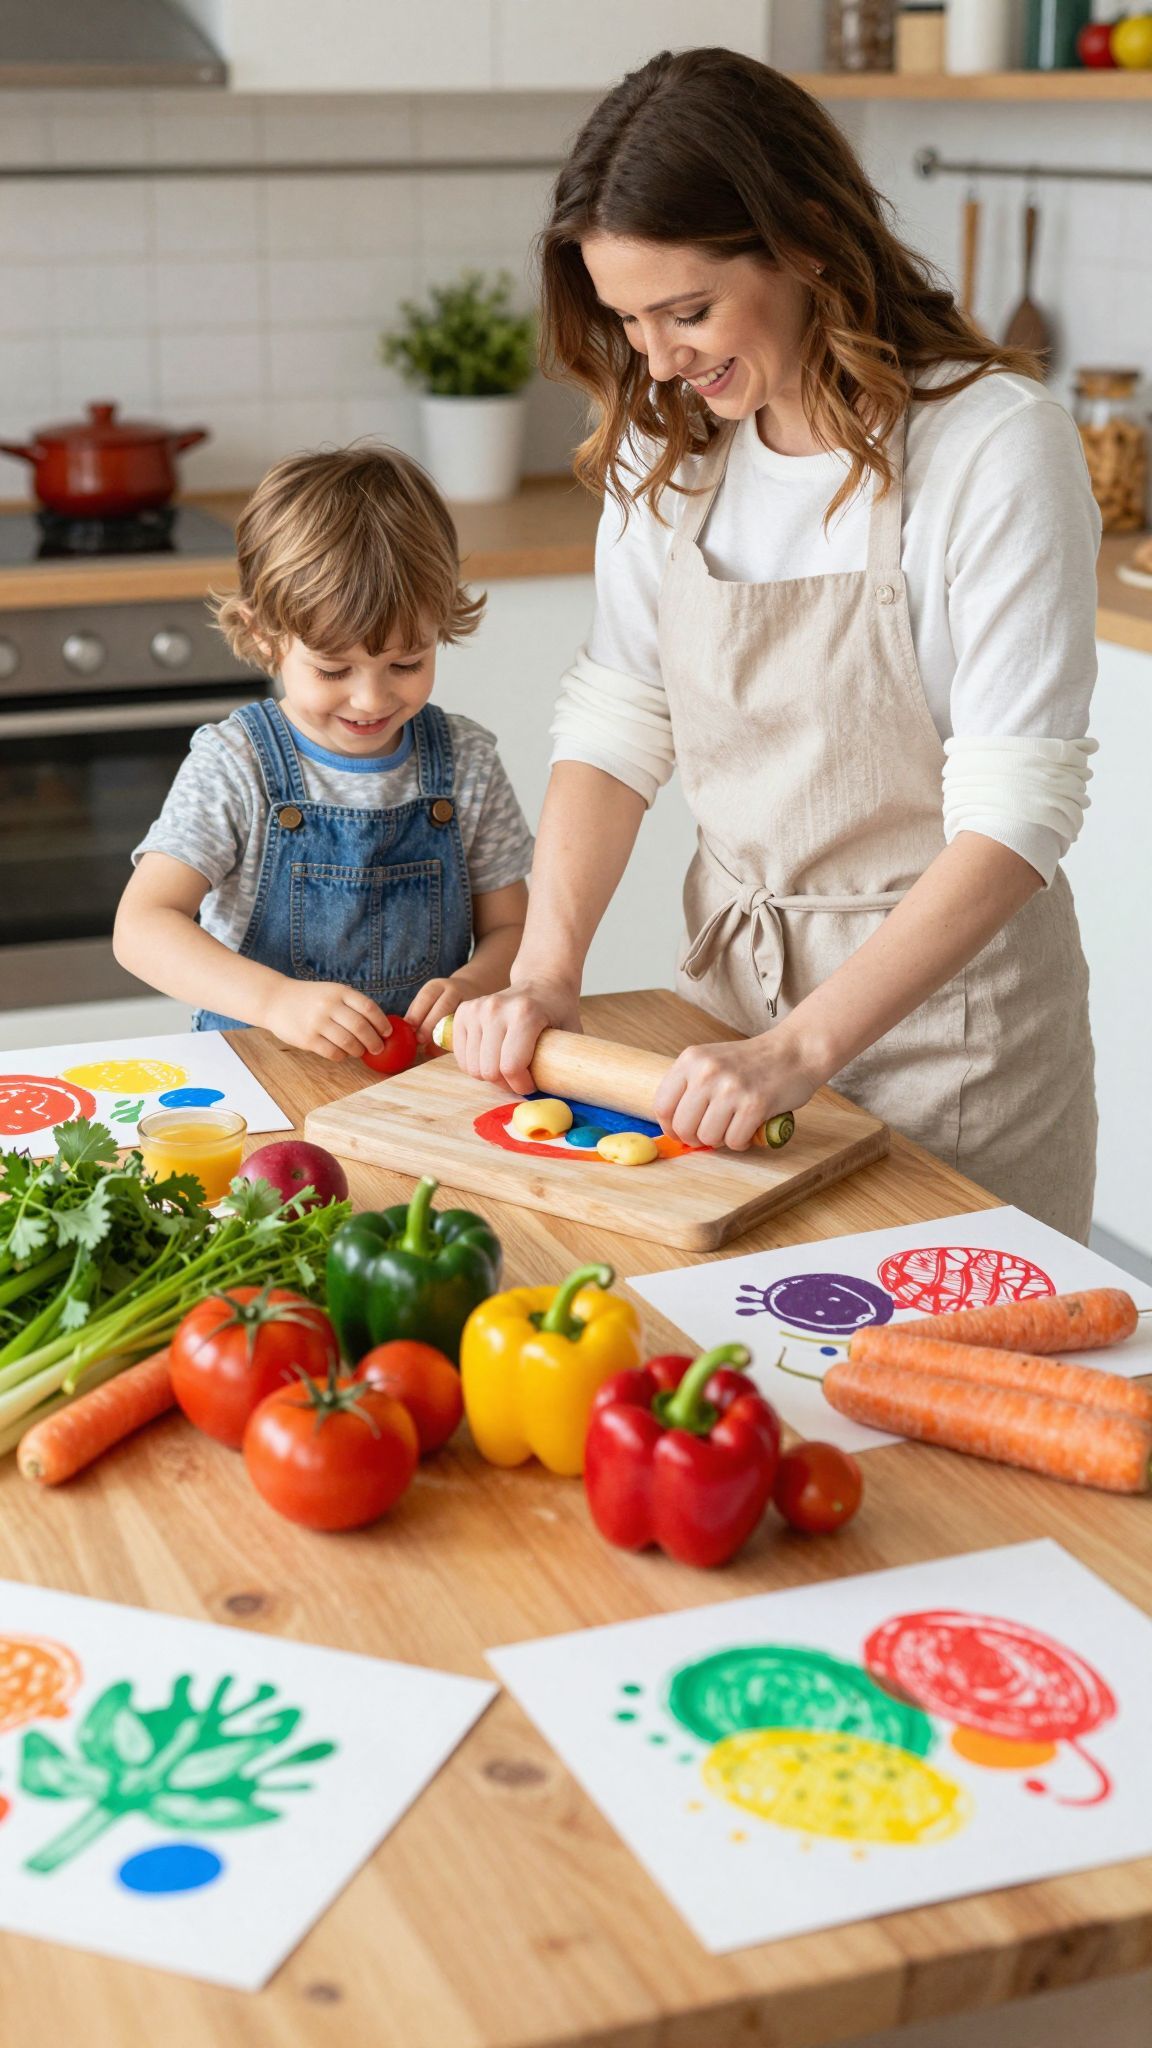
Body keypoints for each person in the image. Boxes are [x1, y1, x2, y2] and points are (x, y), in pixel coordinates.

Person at [449, 47, 1101, 1239]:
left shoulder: (993, 446)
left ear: (803, 236)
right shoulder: (670, 444)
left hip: (955, 1049)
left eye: (687, 311)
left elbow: (1015, 818)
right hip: (727, 1030)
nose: (658, 361)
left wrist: (801, 1047)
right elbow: (619, 722)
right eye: (629, 321)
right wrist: (544, 968)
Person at [115, 446, 533, 1061]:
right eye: (334, 669)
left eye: (407, 663)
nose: (371, 697)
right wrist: (275, 1001)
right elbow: (142, 928)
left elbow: (512, 928)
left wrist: (475, 985)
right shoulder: (237, 763)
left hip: (420, 1083)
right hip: (258, 1076)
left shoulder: (466, 761)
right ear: (264, 634)